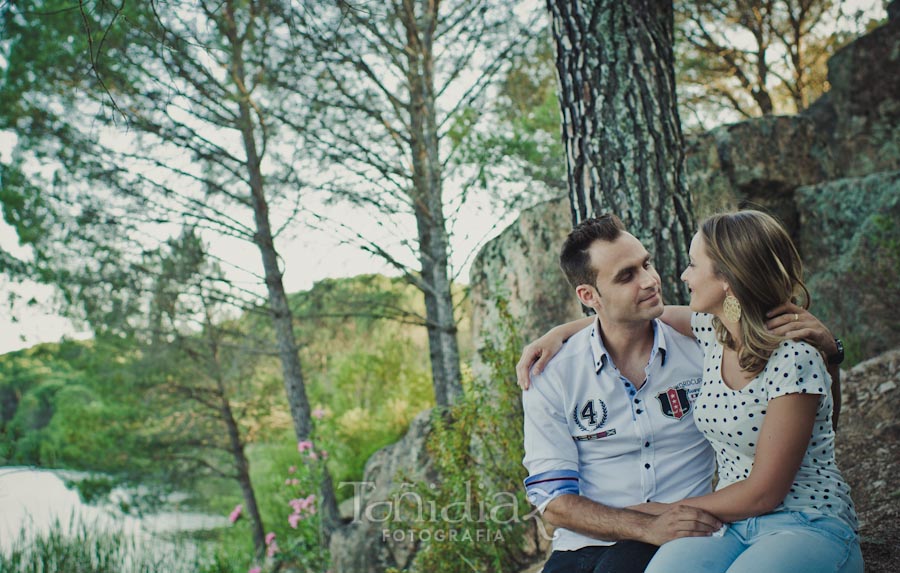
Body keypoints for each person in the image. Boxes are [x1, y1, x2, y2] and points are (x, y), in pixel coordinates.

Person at [520, 211, 858, 573]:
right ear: (590, 295)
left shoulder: (734, 348)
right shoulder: (711, 336)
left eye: (648, 264)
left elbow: (782, 469)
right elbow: (621, 318)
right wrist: (560, 332)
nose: (657, 279)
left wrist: (832, 355)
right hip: (703, 530)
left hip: (787, 520)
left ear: (728, 279)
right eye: (628, 275)